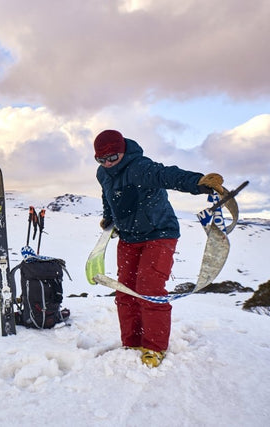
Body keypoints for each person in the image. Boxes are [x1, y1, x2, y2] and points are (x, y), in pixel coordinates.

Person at [93, 129, 224, 368]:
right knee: (125, 290)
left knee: (150, 288)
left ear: (123, 151)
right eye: (101, 159)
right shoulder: (103, 174)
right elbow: (107, 196)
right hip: (129, 237)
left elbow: (168, 175)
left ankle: (154, 347)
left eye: (113, 157)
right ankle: (131, 341)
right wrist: (108, 217)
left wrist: (198, 182)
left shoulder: (139, 167)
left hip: (159, 233)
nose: (108, 163)